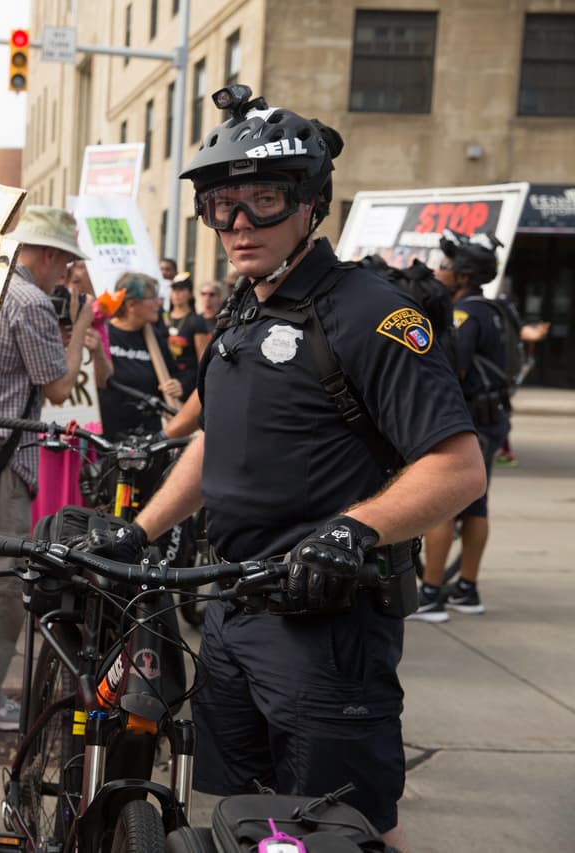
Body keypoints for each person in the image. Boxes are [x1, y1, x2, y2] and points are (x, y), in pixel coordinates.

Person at [112, 86, 485, 847]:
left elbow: (458, 466)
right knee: (238, 817)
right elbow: (218, 437)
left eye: (265, 200)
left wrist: (354, 529)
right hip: (230, 608)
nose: (240, 224)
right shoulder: (244, 310)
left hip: (327, 628)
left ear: (312, 205)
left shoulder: (372, 314)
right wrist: (140, 531)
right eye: (222, 205)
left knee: (345, 830)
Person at [0, 206, 94, 732]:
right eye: (66, 262)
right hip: (2, 459)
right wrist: (79, 330)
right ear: (48, 254)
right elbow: (57, 386)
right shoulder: (29, 301)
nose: (66, 273)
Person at [411, 231, 509, 622]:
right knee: (477, 506)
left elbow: (455, 371)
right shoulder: (496, 309)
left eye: (446, 267)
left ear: (464, 276)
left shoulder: (464, 315)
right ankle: (466, 589)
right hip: (493, 417)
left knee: (443, 505)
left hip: (471, 419)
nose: (439, 271)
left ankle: (432, 595)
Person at [98, 273, 184, 441]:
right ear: (131, 305)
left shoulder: (154, 338)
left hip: (147, 440)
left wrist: (177, 386)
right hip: (107, 440)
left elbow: (174, 375)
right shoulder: (103, 335)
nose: (159, 303)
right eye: (152, 298)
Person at [165, 273, 209, 398]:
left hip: (187, 380)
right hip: (165, 376)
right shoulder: (163, 318)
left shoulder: (196, 320)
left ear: (189, 294)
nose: (177, 294)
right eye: (174, 290)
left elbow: (203, 359)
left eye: (181, 290)